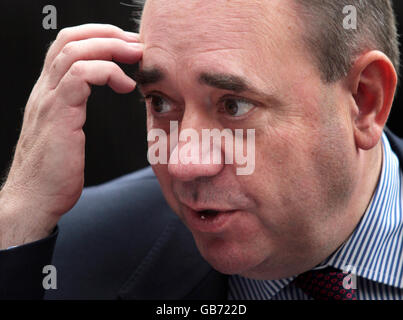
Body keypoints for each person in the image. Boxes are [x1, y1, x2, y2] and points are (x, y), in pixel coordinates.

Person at [0, 0, 402, 300]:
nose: (183, 163)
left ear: (364, 101)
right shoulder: (65, 256)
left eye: (233, 105)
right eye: (160, 102)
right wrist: (16, 223)